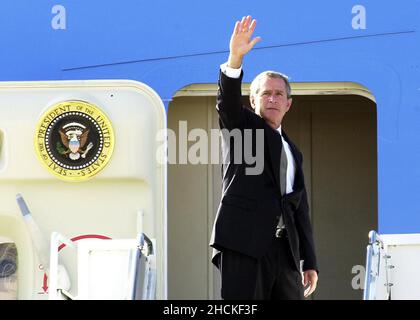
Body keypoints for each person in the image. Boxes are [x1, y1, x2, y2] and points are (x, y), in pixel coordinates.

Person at [210, 15, 318, 300]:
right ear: (253, 101)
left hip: (286, 254)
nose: (272, 99)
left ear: (288, 103)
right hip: (244, 246)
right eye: (265, 94)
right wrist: (235, 58)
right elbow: (227, 102)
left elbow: (300, 208)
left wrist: (308, 260)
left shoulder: (293, 151)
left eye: (278, 94)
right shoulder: (242, 127)